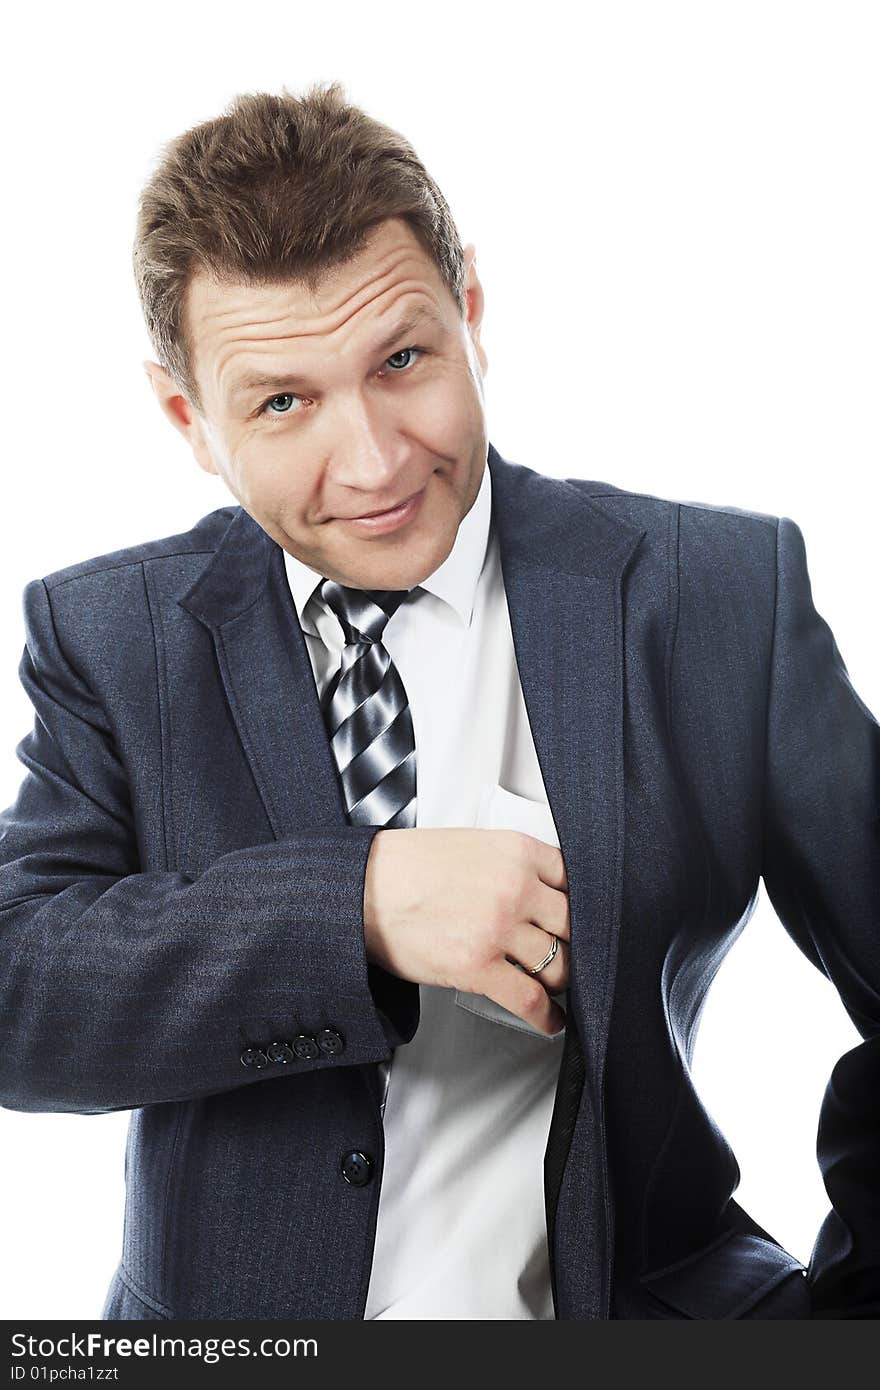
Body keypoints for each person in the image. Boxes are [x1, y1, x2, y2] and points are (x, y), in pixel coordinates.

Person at [0, 81, 877, 1323]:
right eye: (283, 402)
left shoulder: (715, 597)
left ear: (470, 311)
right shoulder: (109, 637)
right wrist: (356, 906)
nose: (371, 464)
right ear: (189, 418)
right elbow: (19, 990)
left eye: (402, 358)